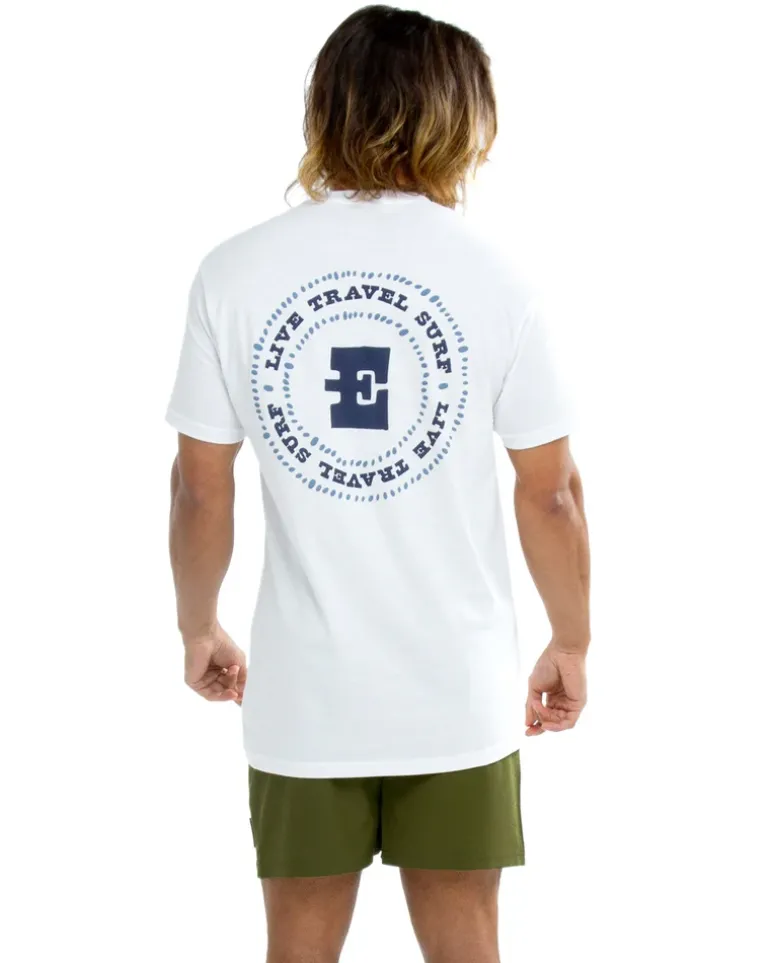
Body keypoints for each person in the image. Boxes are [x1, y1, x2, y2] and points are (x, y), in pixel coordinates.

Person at [166, 6, 590, 962]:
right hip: (456, 688)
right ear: (460, 116)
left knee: (298, 946)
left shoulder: (232, 273)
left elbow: (199, 489)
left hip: (304, 692)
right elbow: (552, 493)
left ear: (326, 106)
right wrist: (570, 639)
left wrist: (198, 625)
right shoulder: (498, 277)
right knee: (466, 942)